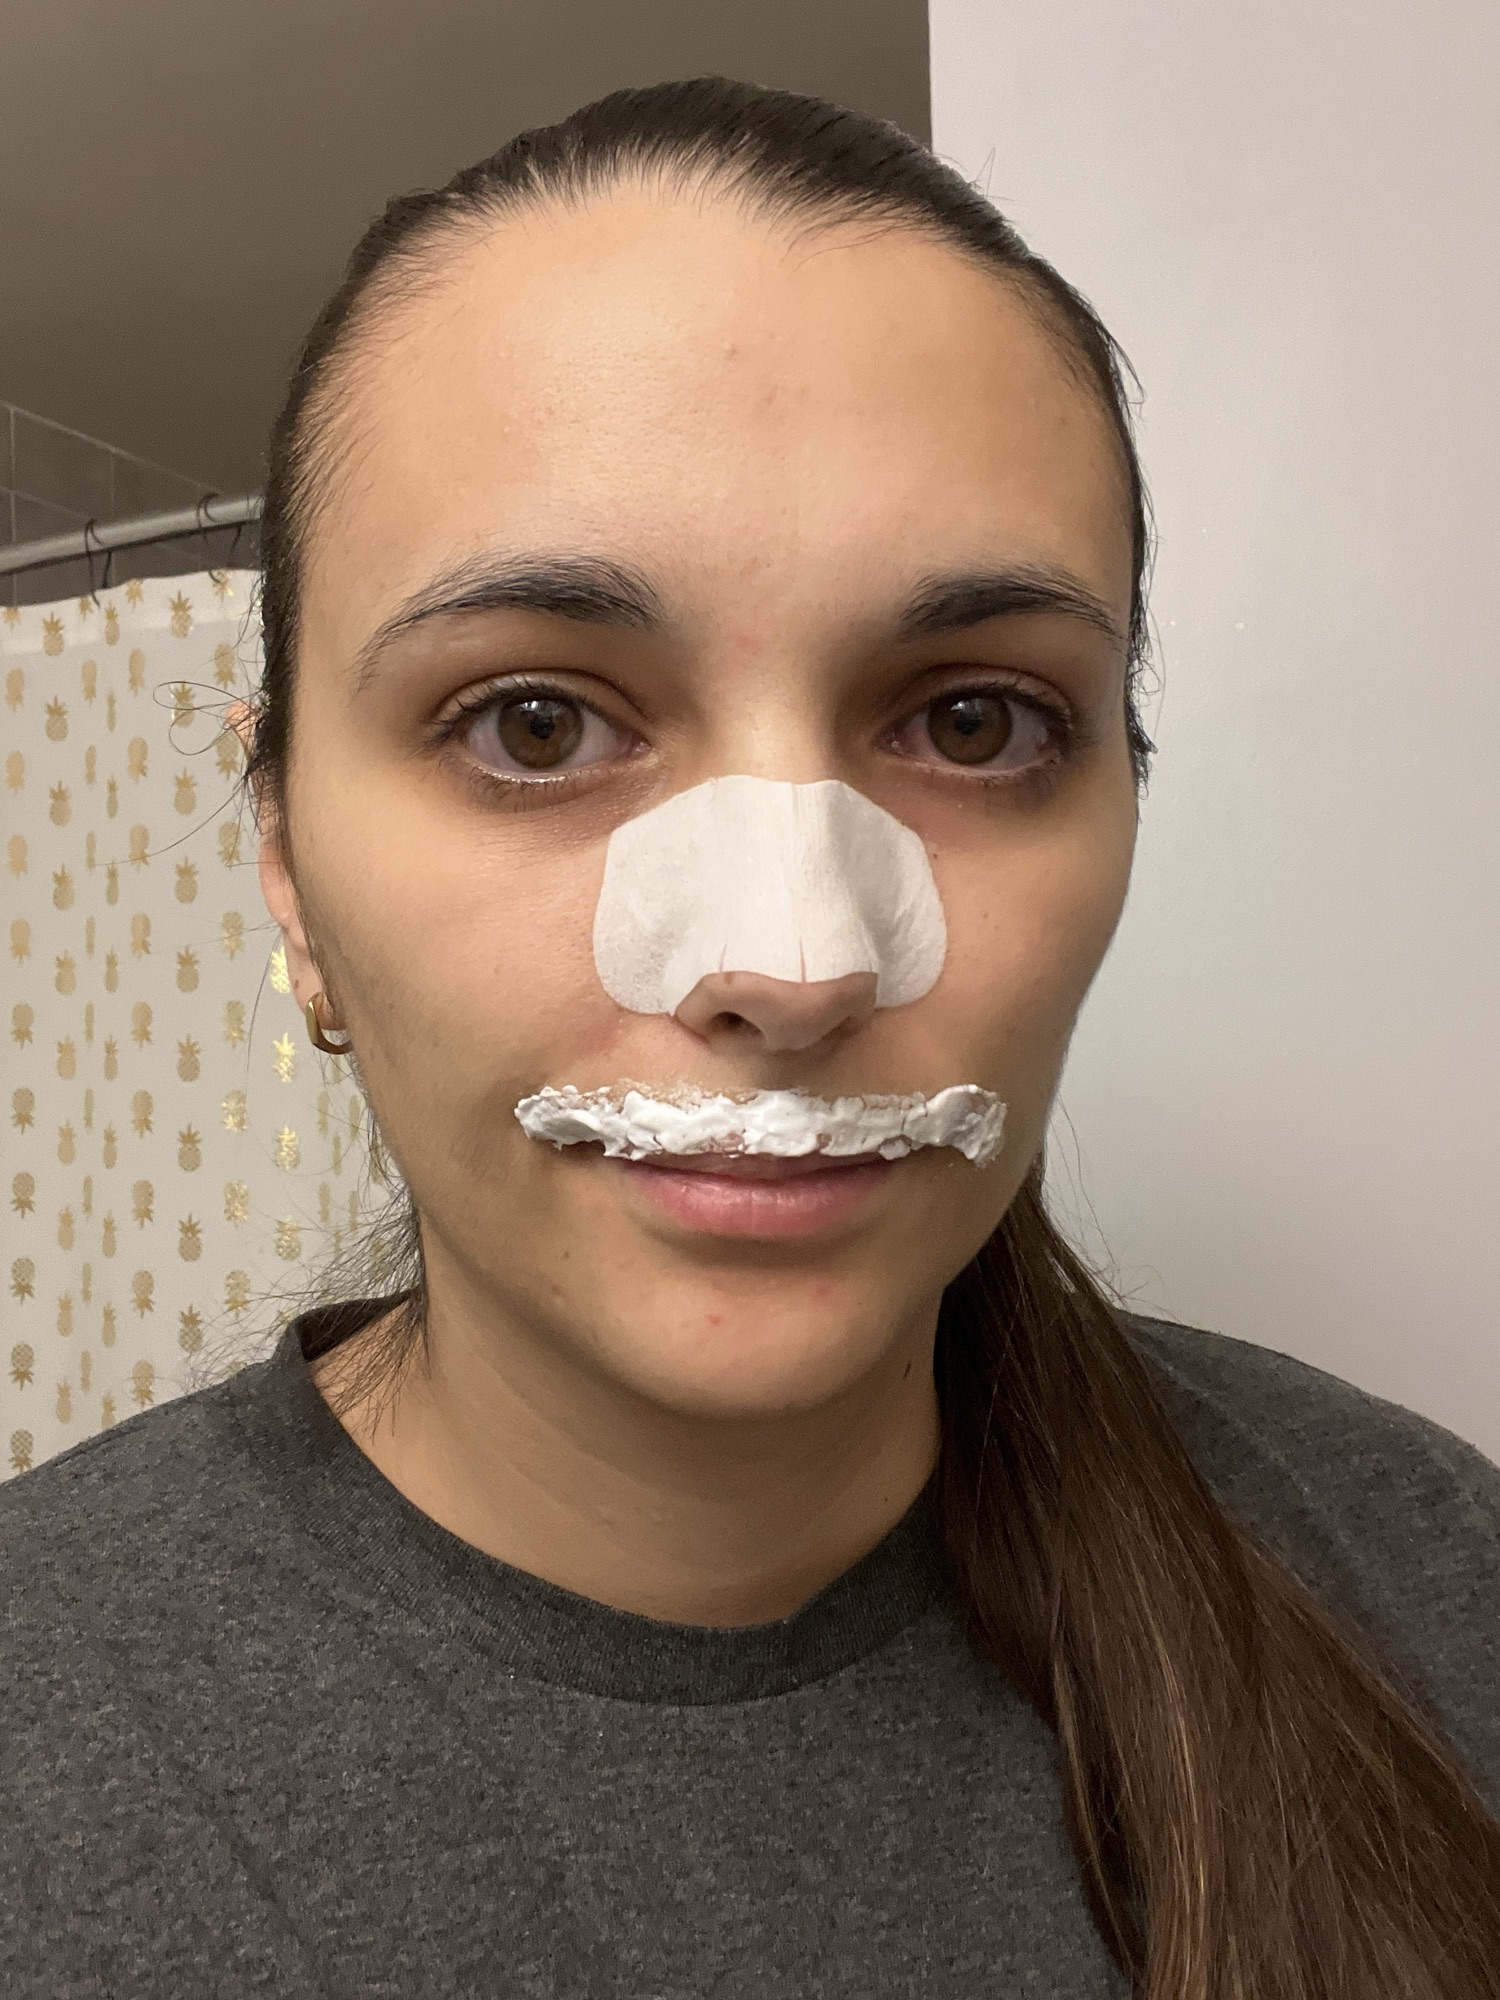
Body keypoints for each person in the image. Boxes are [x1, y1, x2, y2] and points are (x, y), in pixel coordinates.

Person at [2, 78, 1497, 2000]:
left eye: (973, 723)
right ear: (287, 861)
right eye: (536, 723)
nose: (794, 966)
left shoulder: (1431, 1585)